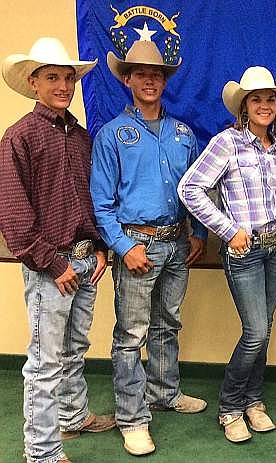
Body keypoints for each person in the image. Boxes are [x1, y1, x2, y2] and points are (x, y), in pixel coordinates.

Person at [89, 39, 208, 456]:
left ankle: (164, 391)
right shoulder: (111, 136)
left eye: (156, 73)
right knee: (130, 333)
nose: (149, 80)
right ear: (126, 79)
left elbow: (198, 190)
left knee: (167, 323)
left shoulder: (183, 134)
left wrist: (199, 234)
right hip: (136, 245)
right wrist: (122, 246)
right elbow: (101, 202)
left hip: (177, 243)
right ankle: (132, 417)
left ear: (165, 80)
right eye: (140, 73)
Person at [0, 37, 116, 463]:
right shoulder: (19, 137)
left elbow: (91, 199)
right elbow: (13, 212)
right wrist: (51, 263)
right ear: (33, 83)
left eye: (68, 77)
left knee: (74, 347)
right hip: (51, 264)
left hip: (86, 259)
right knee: (46, 360)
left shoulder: (82, 139)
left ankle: (72, 414)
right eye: (53, 77)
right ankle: (42, 451)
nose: (63, 85)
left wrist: (100, 248)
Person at [178, 66, 276, 443]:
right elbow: (190, 188)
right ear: (244, 107)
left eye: (270, 99)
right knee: (255, 331)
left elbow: (274, 193)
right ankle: (230, 406)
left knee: (267, 328)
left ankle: (254, 400)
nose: (264, 105)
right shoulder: (226, 143)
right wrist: (229, 230)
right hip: (244, 252)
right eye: (256, 99)